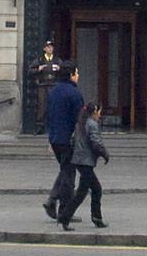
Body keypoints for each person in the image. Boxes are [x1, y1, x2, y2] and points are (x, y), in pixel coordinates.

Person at [59, 102, 111, 231]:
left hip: (78, 160)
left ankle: (69, 217)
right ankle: (70, 216)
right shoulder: (92, 124)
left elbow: (72, 140)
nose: (100, 115)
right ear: (94, 112)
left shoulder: (80, 123)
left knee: (88, 190)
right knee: (91, 190)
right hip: (86, 161)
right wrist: (104, 153)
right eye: (99, 112)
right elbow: (95, 142)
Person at [42, 65, 84, 222]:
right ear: (72, 75)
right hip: (68, 139)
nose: (78, 76)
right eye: (77, 72)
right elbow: (79, 121)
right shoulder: (74, 94)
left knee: (66, 170)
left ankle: (53, 202)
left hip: (55, 138)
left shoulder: (53, 91)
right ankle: (63, 210)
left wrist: (49, 139)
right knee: (68, 174)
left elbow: (49, 115)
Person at [27, 39, 64, 125]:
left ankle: (53, 123)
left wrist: (59, 69)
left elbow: (65, 70)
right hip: (42, 85)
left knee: (54, 104)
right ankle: (40, 124)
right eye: (48, 47)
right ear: (44, 49)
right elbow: (30, 70)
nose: (50, 49)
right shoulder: (39, 60)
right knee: (42, 105)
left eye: (51, 47)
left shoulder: (57, 60)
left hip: (53, 85)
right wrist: (38, 69)